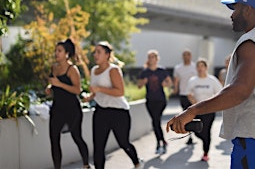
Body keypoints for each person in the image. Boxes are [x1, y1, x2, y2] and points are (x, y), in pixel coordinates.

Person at [167, 0, 255, 168]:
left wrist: (192, 111)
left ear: (247, 10)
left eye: (235, 9)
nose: (231, 16)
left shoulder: (252, 42)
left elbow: (240, 91)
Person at [84, 41, 144, 169]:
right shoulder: (94, 70)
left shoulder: (113, 70)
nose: (95, 54)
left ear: (107, 55)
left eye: (98, 52)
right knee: (98, 146)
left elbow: (120, 92)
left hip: (118, 112)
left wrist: (99, 89)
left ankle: (137, 162)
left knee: (123, 142)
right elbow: (95, 91)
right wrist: (89, 97)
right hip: (101, 112)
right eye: (95, 52)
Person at [45, 38, 90, 169]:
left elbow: (77, 90)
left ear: (66, 53)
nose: (56, 53)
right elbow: (53, 82)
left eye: (59, 51)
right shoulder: (54, 68)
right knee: (54, 139)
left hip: (72, 109)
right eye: (55, 50)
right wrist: (50, 87)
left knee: (77, 137)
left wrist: (59, 84)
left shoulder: (72, 69)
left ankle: (86, 164)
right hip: (57, 108)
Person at [186, 58, 223, 162]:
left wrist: (213, 104)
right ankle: (204, 141)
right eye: (198, 66)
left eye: (202, 66)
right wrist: (194, 104)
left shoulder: (212, 80)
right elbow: (189, 93)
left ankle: (206, 152)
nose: (200, 68)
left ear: (206, 68)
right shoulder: (193, 80)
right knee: (196, 131)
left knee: (206, 131)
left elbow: (220, 93)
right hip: (197, 110)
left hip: (209, 111)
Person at [137, 49, 172, 154]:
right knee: (155, 122)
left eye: (153, 57)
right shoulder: (145, 72)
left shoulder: (162, 70)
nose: (151, 59)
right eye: (149, 57)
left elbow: (169, 82)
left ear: (157, 59)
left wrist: (165, 84)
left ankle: (159, 143)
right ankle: (163, 141)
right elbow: (138, 86)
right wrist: (143, 82)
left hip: (161, 100)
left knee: (156, 121)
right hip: (150, 100)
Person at [173, 49, 197, 145]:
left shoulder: (195, 66)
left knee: (195, 114)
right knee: (185, 114)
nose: (186, 56)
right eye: (184, 55)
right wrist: (175, 89)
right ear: (182, 56)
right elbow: (176, 80)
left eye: (188, 54)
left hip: (193, 94)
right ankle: (190, 136)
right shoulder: (178, 68)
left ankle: (196, 131)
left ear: (191, 56)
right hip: (183, 94)